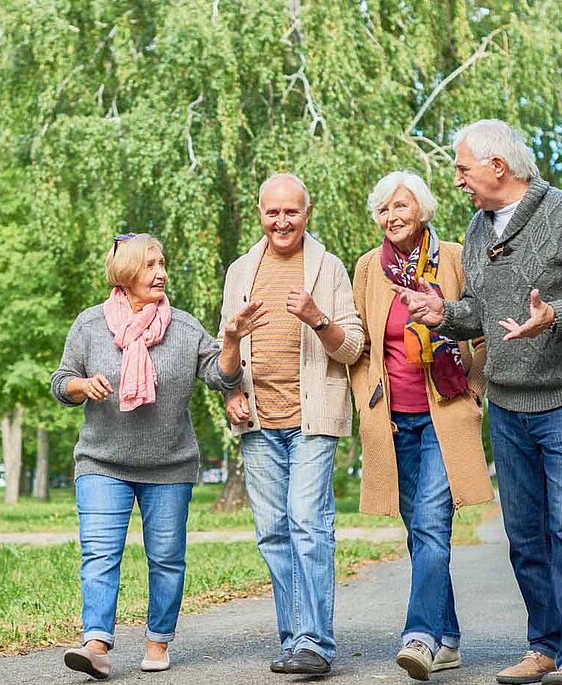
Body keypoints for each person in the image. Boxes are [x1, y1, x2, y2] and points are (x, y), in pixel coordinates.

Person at [396, 120, 562, 685]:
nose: (457, 180)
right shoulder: (478, 229)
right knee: (525, 535)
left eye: (463, 169)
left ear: (498, 167)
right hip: (508, 405)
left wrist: (557, 315)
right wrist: (443, 314)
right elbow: (480, 312)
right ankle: (545, 646)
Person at [51, 233, 265, 680]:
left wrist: (229, 341)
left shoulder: (183, 328)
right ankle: (96, 645)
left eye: (162, 263)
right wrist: (82, 385)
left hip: (169, 465)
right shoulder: (91, 324)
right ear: (126, 272)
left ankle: (157, 640)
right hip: (101, 462)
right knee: (99, 554)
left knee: (166, 558)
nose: (161, 272)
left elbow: (222, 377)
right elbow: (61, 380)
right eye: (150, 265)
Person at [350, 170, 494, 681]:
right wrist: (366, 403)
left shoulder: (454, 257)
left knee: (432, 524)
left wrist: (474, 388)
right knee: (419, 532)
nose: (391, 216)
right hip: (392, 420)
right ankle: (448, 636)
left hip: (444, 413)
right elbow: (361, 344)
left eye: (401, 205)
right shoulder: (369, 268)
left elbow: (483, 326)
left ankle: (420, 636)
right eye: (384, 208)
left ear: (423, 210)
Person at [219, 172, 363, 675]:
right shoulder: (241, 270)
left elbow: (353, 348)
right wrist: (231, 390)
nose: (282, 221)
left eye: (291, 212)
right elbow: (225, 356)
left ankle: (315, 643)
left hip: (312, 418)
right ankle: (294, 638)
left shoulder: (327, 268)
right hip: (258, 420)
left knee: (307, 522)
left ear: (307, 213)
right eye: (273, 212)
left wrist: (317, 318)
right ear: (260, 213)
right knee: (272, 533)